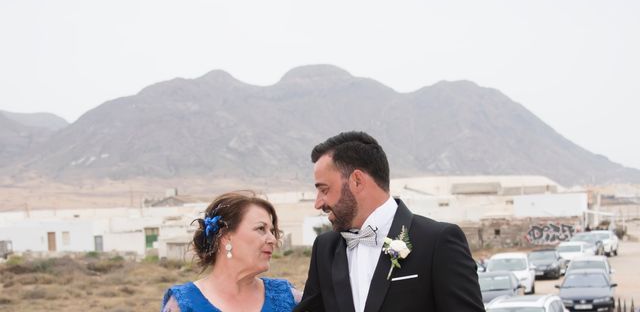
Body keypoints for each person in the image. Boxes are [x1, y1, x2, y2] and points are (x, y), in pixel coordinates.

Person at [295, 131, 484, 312]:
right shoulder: (324, 248)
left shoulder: (438, 241)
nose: (318, 203)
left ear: (357, 181)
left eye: (325, 190)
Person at [162, 191, 300, 312]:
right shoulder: (183, 305)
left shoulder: (288, 297)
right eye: (260, 229)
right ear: (226, 236)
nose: (272, 240)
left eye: (271, 231)